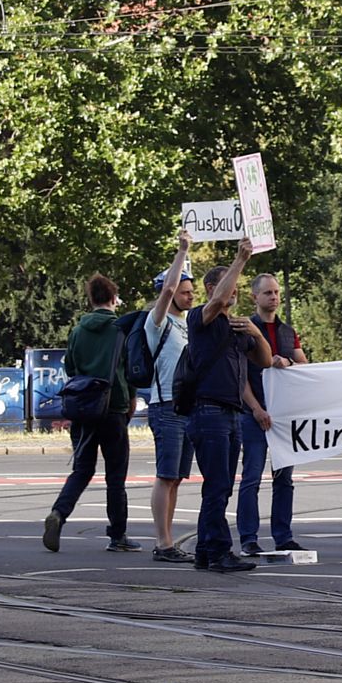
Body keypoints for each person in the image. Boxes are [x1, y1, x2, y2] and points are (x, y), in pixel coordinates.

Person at [182, 239, 273, 573]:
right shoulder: (200, 318)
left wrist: (256, 333)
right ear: (211, 288)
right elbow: (218, 301)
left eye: (236, 285)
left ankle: (205, 550)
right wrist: (241, 259)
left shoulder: (237, 326)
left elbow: (264, 361)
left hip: (231, 414)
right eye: (229, 284)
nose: (234, 290)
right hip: (208, 411)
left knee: (219, 487)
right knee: (218, 485)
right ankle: (219, 552)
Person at [42, 273, 137, 554]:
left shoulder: (77, 331)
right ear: (113, 298)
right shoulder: (121, 329)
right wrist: (130, 400)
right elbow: (129, 369)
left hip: (83, 408)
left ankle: (58, 513)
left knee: (82, 469)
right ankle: (117, 535)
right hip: (114, 407)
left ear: (91, 299)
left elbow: (71, 367)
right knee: (115, 476)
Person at [237, 272, 307, 555]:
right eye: (268, 293)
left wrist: (288, 361)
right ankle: (248, 538)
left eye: (276, 292)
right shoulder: (245, 329)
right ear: (254, 296)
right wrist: (256, 409)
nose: (274, 297)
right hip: (254, 414)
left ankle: (283, 535)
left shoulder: (288, 331)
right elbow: (240, 375)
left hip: (283, 417)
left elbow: (306, 367)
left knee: (284, 479)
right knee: (252, 477)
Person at [144, 231, 198, 563]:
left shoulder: (187, 323)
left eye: (193, 292)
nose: (191, 296)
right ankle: (162, 543)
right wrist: (182, 251)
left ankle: (168, 540)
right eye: (185, 291)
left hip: (187, 407)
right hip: (165, 406)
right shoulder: (158, 322)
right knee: (166, 476)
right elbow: (166, 290)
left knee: (176, 478)